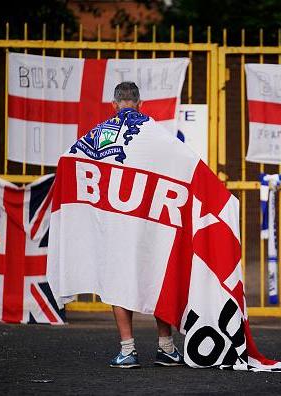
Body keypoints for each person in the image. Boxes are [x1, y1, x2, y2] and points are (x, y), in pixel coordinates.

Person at [106, 82, 184, 369]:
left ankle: (128, 350)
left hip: (118, 219)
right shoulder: (156, 132)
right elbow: (181, 163)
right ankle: (166, 348)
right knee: (156, 279)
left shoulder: (101, 135)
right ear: (140, 104)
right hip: (153, 218)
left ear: (114, 104)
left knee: (119, 281)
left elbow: (72, 158)